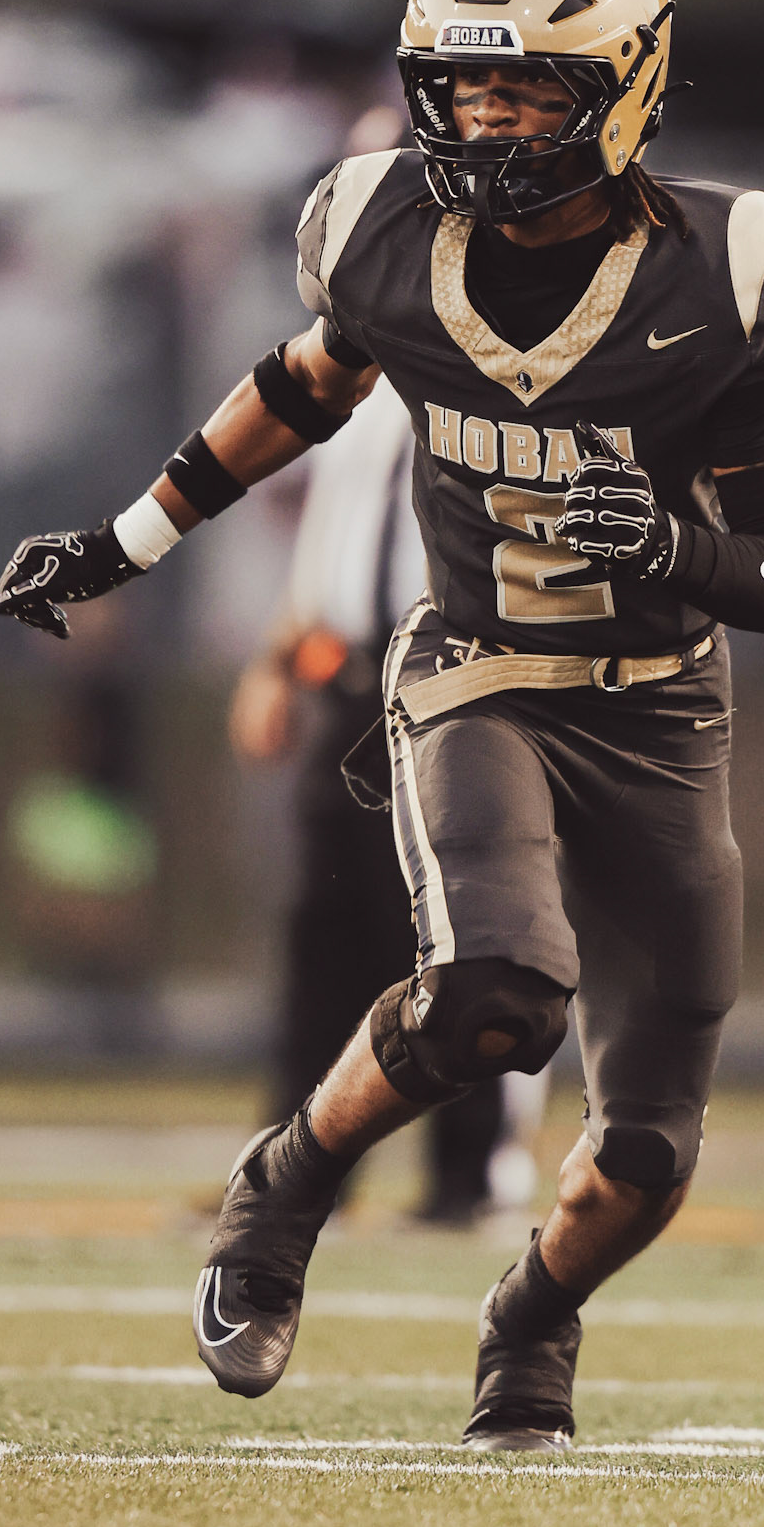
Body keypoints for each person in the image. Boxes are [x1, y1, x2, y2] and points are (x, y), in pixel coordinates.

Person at [0, 0, 764, 1453]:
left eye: (527, 90)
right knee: (499, 994)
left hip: (660, 711)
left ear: (624, 89)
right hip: (476, 670)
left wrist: (663, 541)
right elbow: (300, 387)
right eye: (464, 86)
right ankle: (282, 1189)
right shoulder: (385, 231)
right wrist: (125, 542)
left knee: (646, 1152)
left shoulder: (725, 272)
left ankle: (530, 1319)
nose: (487, 120)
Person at [231, 371, 522, 1222]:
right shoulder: (359, 380)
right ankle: (294, 1173)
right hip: (348, 684)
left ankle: (470, 1176)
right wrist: (277, 660)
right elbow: (334, 537)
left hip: (455, 679)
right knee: (323, 933)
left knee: (462, 932)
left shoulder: (496, 376)